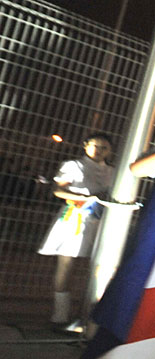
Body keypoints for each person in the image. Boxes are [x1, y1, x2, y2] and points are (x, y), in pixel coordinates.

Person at [38, 133, 115, 326]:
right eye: (95, 146)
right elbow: (58, 190)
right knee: (66, 265)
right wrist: (86, 198)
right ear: (85, 145)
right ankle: (60, 315)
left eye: (104, 147)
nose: (99, 151)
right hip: (74, 219)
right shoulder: (73, 165)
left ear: (110, 151)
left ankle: (89, 314)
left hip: (101, 222)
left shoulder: (112, 171)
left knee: (97, 267)